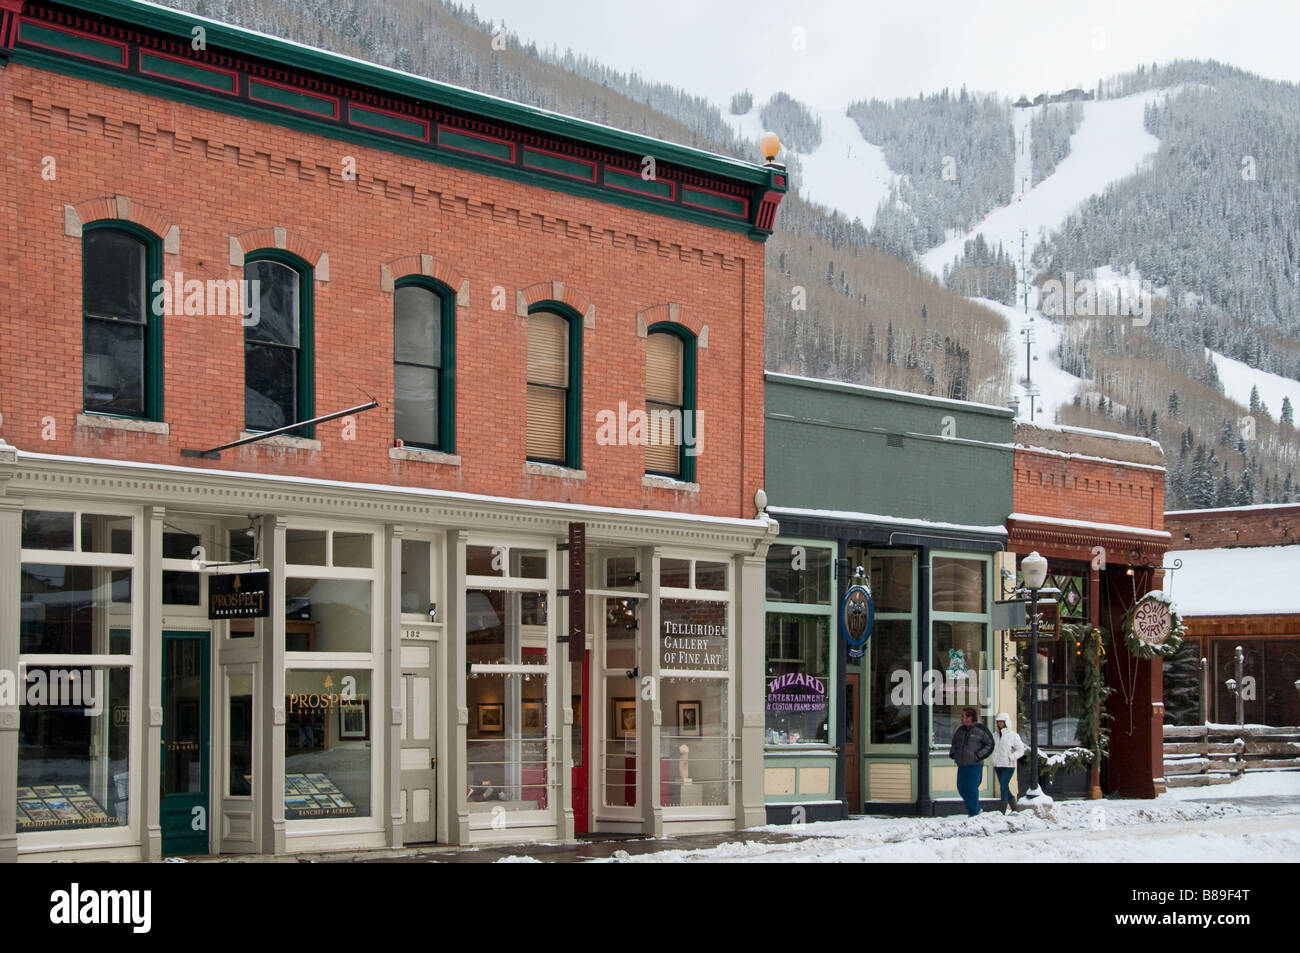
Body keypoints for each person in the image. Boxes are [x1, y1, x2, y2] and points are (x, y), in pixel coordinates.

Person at [948, 707, 994, 816]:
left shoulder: (981, 729)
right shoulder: (960, 730)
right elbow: (954, 743)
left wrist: (978, 755)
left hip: (974, 765)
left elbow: (990, 744)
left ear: (970, 718)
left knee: (972, 788)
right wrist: (953, 754)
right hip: (962, 764)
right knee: (961, 788)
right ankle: (974, 810)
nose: (961, 719)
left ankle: (974, 812)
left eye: (963, 716)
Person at [992, 712, 1026, 813]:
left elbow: (1020, 750)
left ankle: (1002, 810)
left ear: (1006, 722)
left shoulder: (1013, 736)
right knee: (1005, 786)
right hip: (998, 765)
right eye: (998, 722)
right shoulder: (995, 736)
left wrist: (1011, 757)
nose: (999, 724)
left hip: (1008, 766)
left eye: (1001, 722)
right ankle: (1014, 808)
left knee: (1003, 785)